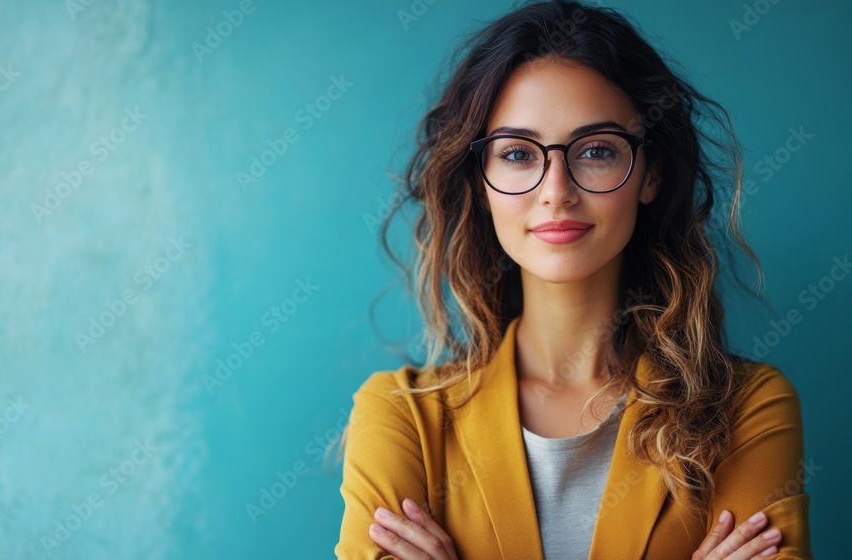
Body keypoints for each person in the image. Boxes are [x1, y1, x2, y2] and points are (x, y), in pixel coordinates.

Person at [333, 1, 812, 559]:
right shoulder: (401, 416)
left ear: (650, 173)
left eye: (597, 151)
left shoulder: (746, 409)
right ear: (482, 183)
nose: (556, 189)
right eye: (517, 153)